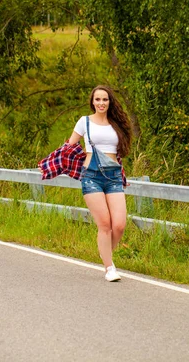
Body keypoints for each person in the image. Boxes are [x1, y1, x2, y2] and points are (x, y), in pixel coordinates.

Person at [39, 85, 132, 282]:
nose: (101, 103)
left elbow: (119, 152)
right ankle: (109, 267)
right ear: (92, 101)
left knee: (120, 225)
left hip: (113, 176)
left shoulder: (116, 124)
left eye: (105, 100)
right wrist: (50, 164)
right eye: (97, 100)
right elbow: (68, 147)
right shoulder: (84, 122)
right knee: (105, 224)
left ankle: (105, 252)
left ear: (110, 102)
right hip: (91, 176)